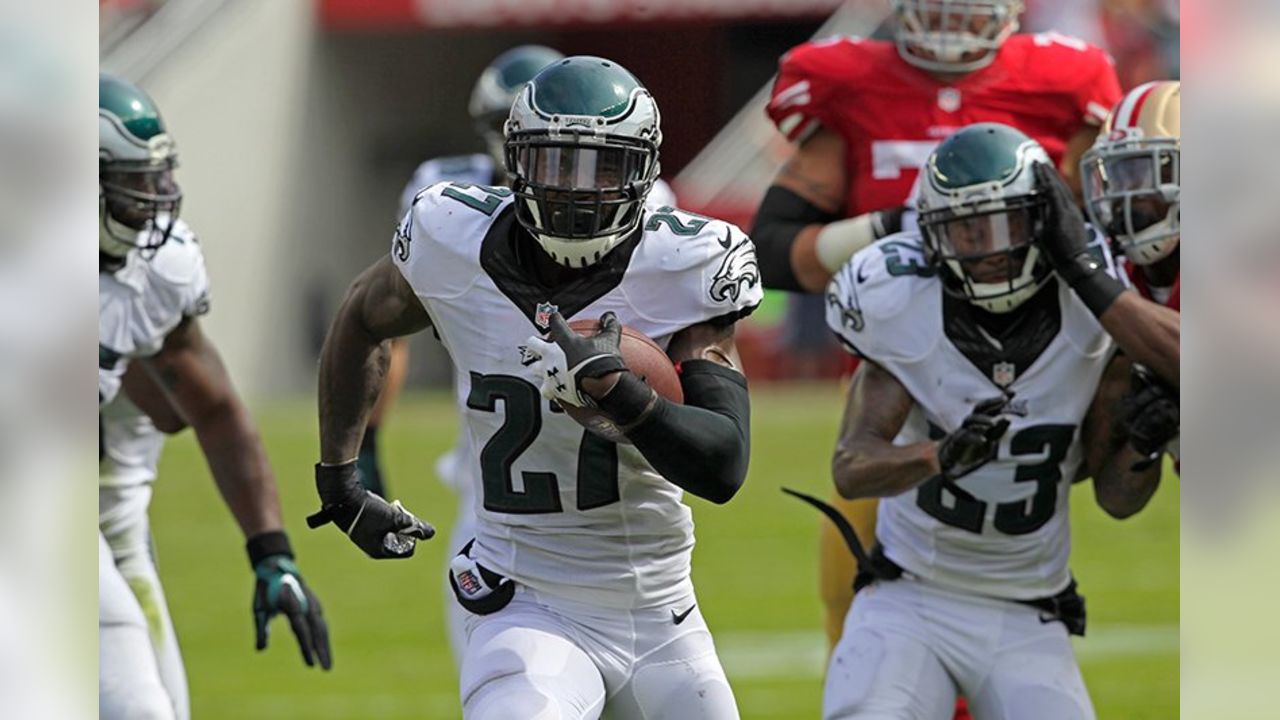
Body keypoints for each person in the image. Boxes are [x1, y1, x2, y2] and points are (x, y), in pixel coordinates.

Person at [312, 56, 760, 719]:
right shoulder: (449, 235)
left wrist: (618, 394)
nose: (578, 190)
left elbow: (723, 465)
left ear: (643, 173)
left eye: (601, 166)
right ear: (513, 161)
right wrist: (340, 478)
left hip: (662, 610)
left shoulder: (687, 265)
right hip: (524, 598)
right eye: (557, 164)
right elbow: (359, 315)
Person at [753, 0, 1124, 662]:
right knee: (864, 612)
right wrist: (894, 225)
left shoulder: (1064, 79)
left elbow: (1105, 235)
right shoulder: (851, 80)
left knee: (1011, 619)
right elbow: (776, 251)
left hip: (1038, 384)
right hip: (894, 389)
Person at [817, 123, 1166, 718]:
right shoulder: (902, 304)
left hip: (1029, 606)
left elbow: (1119, 499)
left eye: (1004, 225)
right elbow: (852, 467)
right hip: (910, 598)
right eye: (964, 229)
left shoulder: (1095, 315)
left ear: (1044, 223)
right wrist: (936, 457)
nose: (985, 250)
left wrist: (1143, 445)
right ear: (931, 236)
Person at [388, 45, 679, 665]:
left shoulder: (651, 212)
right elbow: (379, 320)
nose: (573, 174)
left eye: (596, 159)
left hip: (615, 479)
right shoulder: (446, 207)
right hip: (496, 483)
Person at [98, 74, 330, 720]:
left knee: (160, 709)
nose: (153, 201)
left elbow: (206, 409)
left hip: (112, 527)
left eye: (153, 179)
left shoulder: (155, 270)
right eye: (130, 184)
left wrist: (272, 554)